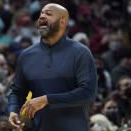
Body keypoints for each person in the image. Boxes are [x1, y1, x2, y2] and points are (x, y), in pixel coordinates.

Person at [8, 3, 97, 131]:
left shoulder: (80, 52)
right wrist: (13, 111)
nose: (42, 16)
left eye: (48, 14)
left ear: (62, 21)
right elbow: (17, 91)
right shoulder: (26, 56)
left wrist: (47, 100)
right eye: (41, 14)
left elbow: (88, 94)